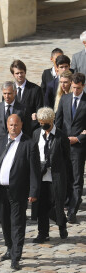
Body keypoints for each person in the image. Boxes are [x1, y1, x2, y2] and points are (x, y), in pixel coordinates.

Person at [0, 114, 41, 271]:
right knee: (4, 222)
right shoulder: (0, 140)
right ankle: (9, 247)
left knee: (17, 223)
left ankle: (16, 256)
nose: (13, 128)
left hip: (18, 191)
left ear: (21, 124)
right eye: (10, 125)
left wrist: (33, 191)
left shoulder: (29, 144)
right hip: (0, 190)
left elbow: (34, 171)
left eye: (16, 125)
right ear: (7, 126)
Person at [0, 81, 31, 226]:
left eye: (10, 93)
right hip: (1, 147)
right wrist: (0, 141)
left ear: (15, 93)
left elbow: (28, 129)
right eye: (5, 93)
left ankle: (19, 212)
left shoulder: (22, 109)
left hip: (18, 147)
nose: (7, 96)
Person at [32, 107, 71, 243]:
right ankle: (43, 233)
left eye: (45, 122)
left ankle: (62, 223)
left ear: (52, 120)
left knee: (56, 205)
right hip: (41, 176)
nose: (43, 125)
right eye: (40, 122)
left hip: (56, 175)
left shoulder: (61, 136)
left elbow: (67, 158)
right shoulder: (37, 134)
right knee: (42, 206)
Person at [55, 72, 86, 224]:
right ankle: (63, 206)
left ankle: (73, 211)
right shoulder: (65, 99)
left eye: (78, 88)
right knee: (64, 178)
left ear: (83, 86)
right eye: (73, 87)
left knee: (76, 179)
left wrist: (79, 138)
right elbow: (59, 122)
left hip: (79, 148)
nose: (75, 91)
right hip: (63, 146)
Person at [10, 60, 43, 131]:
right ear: (13, 74)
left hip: (30, 130)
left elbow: (39, 110)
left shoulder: (35, 89)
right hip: (14, 130)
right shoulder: (9, 90)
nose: (20, 75)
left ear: (25, 72)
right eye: (17, 73)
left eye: (21, 72)